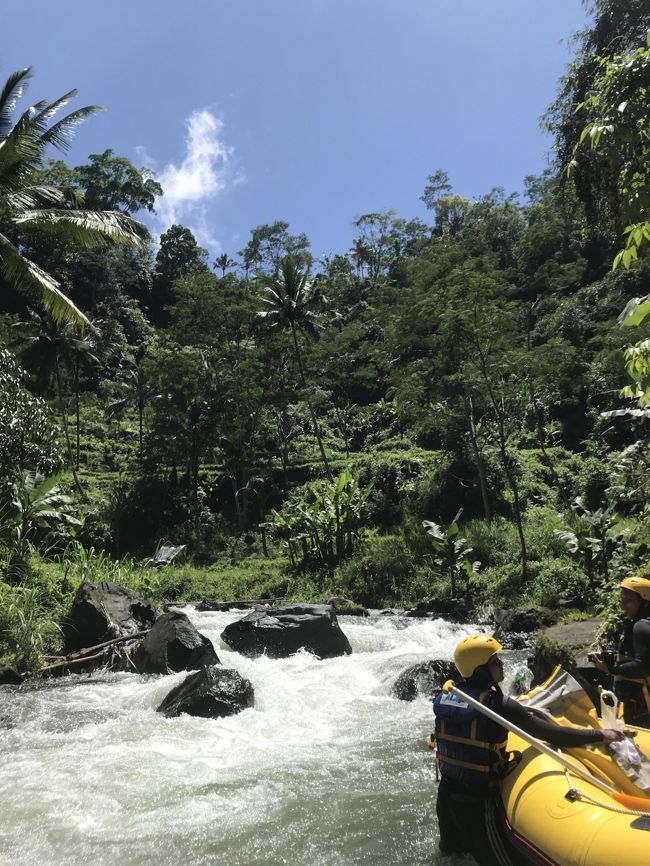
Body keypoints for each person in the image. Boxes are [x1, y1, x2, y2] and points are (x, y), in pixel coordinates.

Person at [432, 634, 623, 866]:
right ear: (480, 670)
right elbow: (549, 733)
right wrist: (600, 735)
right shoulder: (497, 705)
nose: (501, 665)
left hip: (447, 797)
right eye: (495, 662)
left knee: (452, 858)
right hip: (477, 803)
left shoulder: (446, 697)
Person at [589, 573, 650, 727]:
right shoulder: (642, 624)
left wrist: (611, 668)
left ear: (645, 603)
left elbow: (642, 666)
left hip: (639, 705)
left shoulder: (641, 626)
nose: (623, 605)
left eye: (629, 600)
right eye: (622, 599)